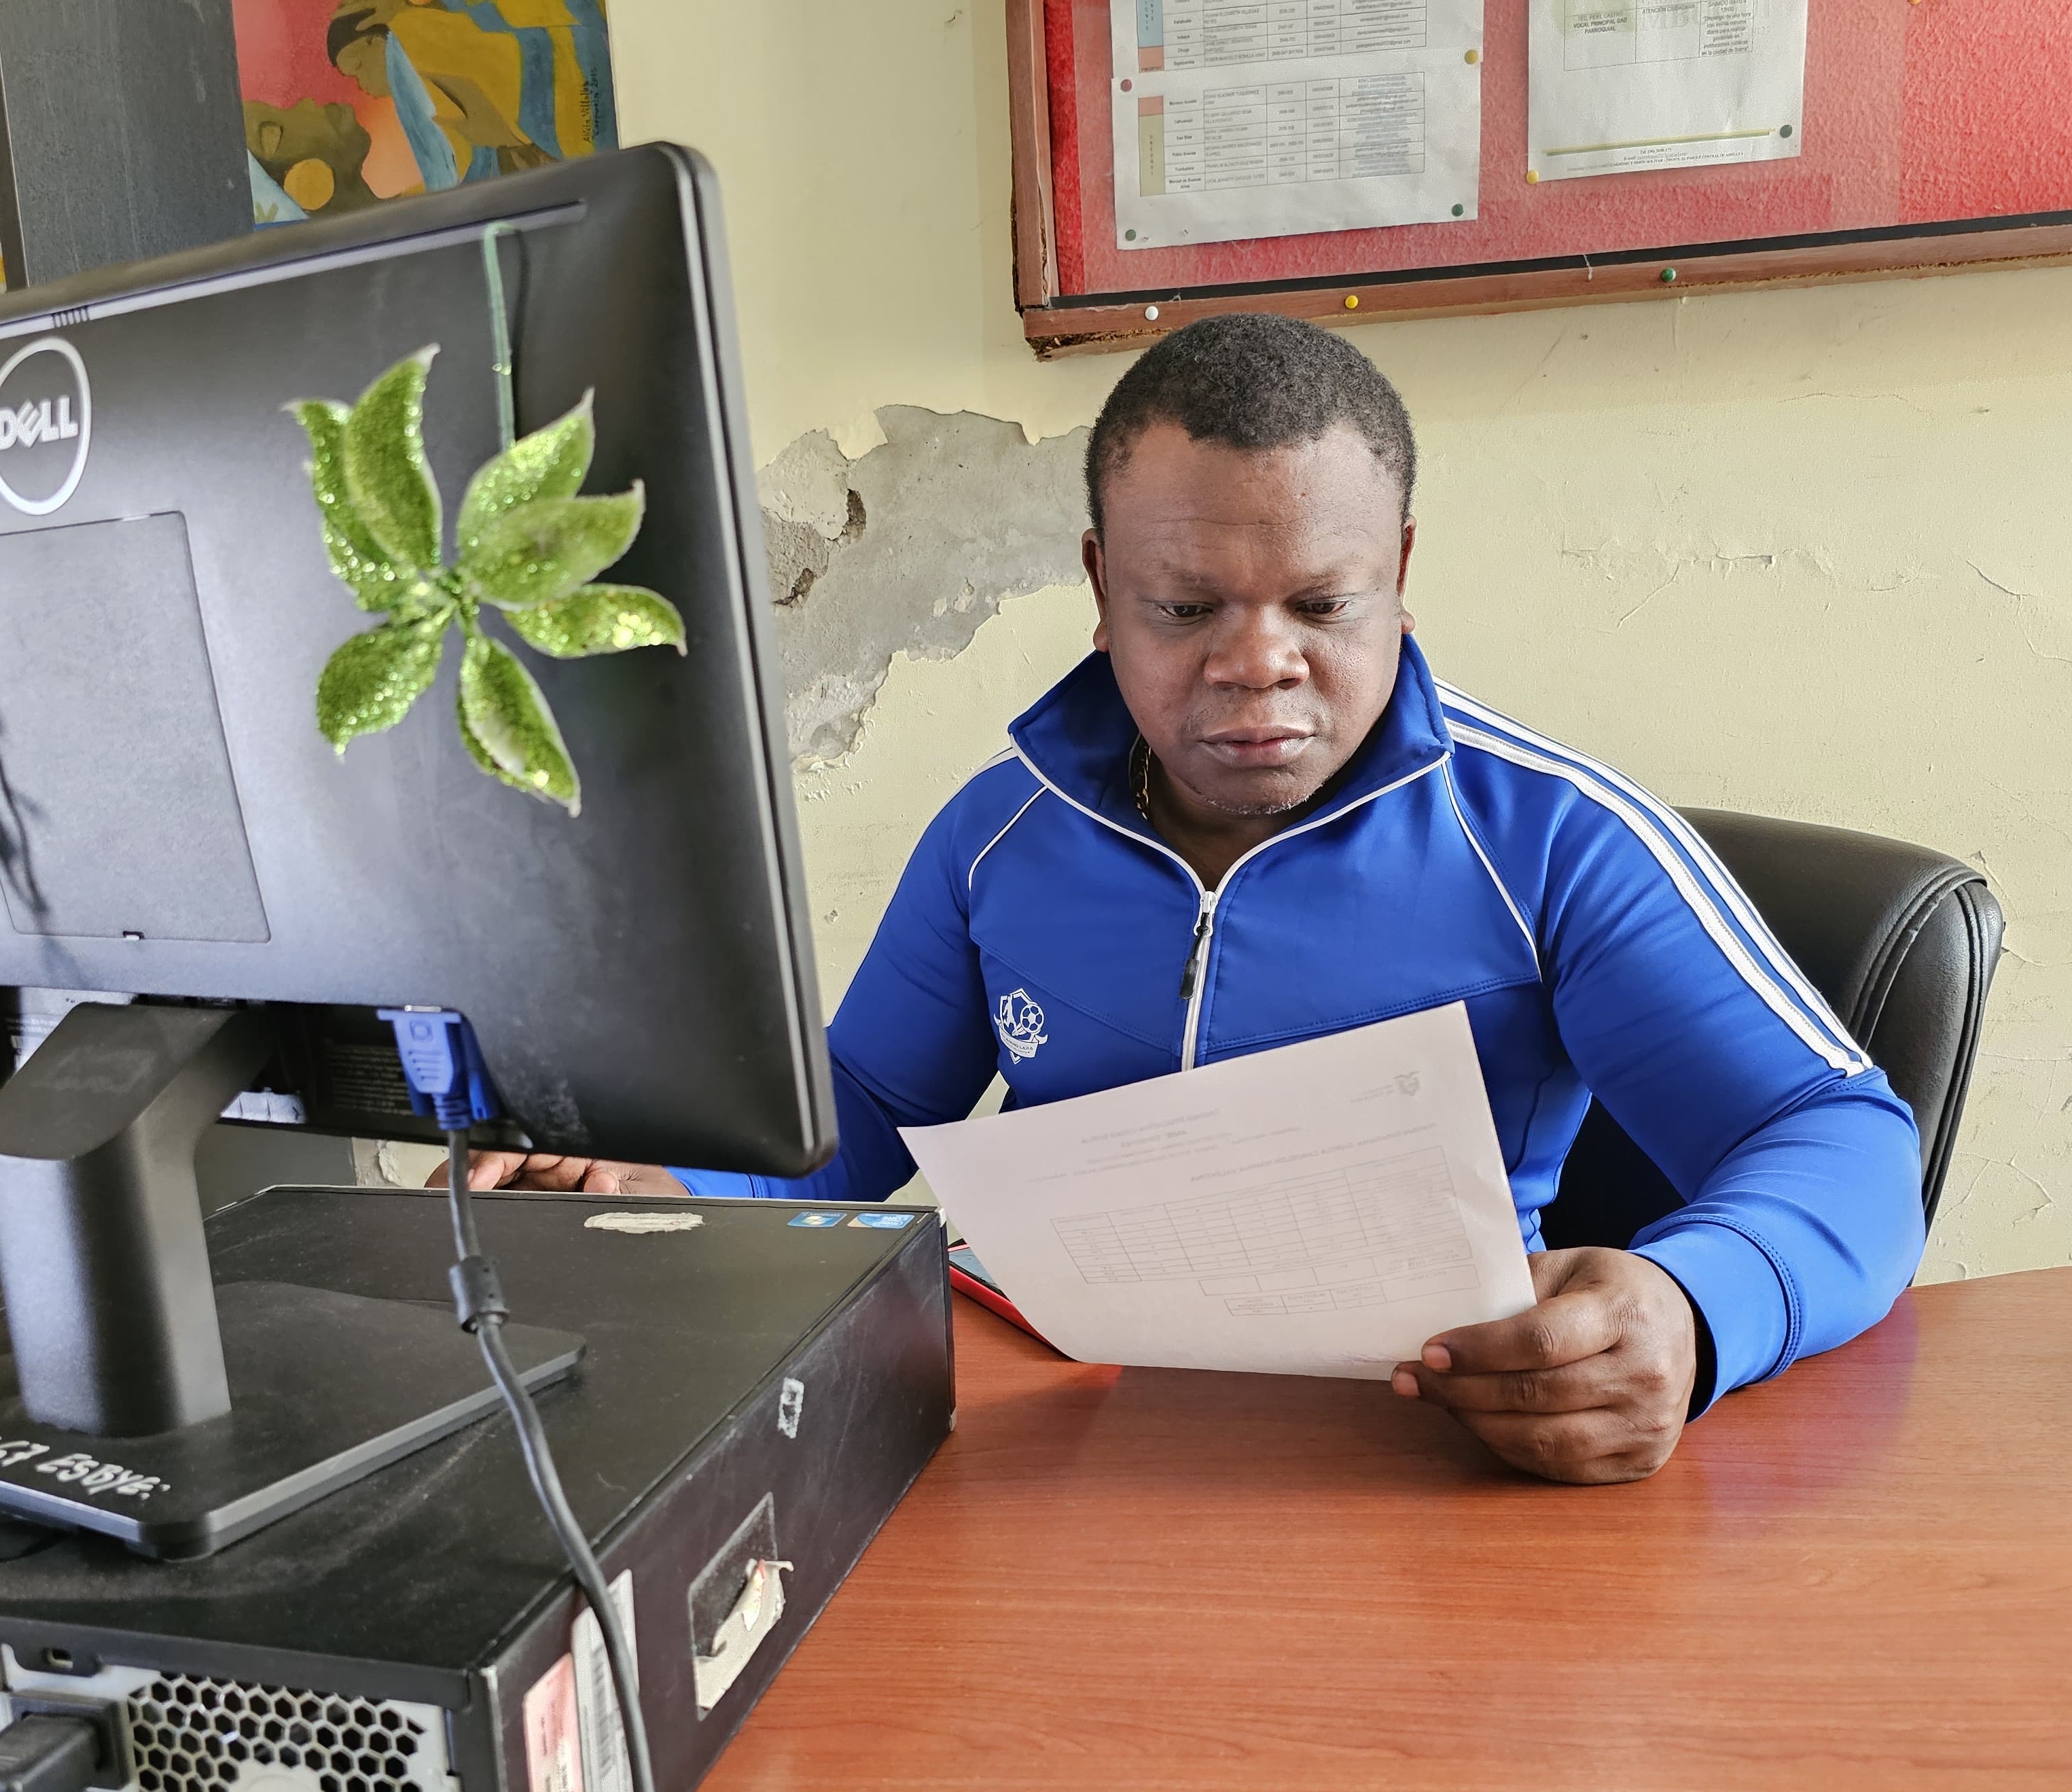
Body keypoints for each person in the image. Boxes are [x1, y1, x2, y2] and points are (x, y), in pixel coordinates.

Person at [452, 314, 1925, 1484]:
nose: (1257, 662)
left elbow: (1838, 1137)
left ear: (1399, 575)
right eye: (1184, 607)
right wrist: (672, 1182)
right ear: (1101, 588)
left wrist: (1694, 1309)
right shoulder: (998, 834)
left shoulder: (1552, 842)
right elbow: (859, 1111)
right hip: (1055, 1454)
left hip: (1421, 1457)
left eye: (1321, 604)